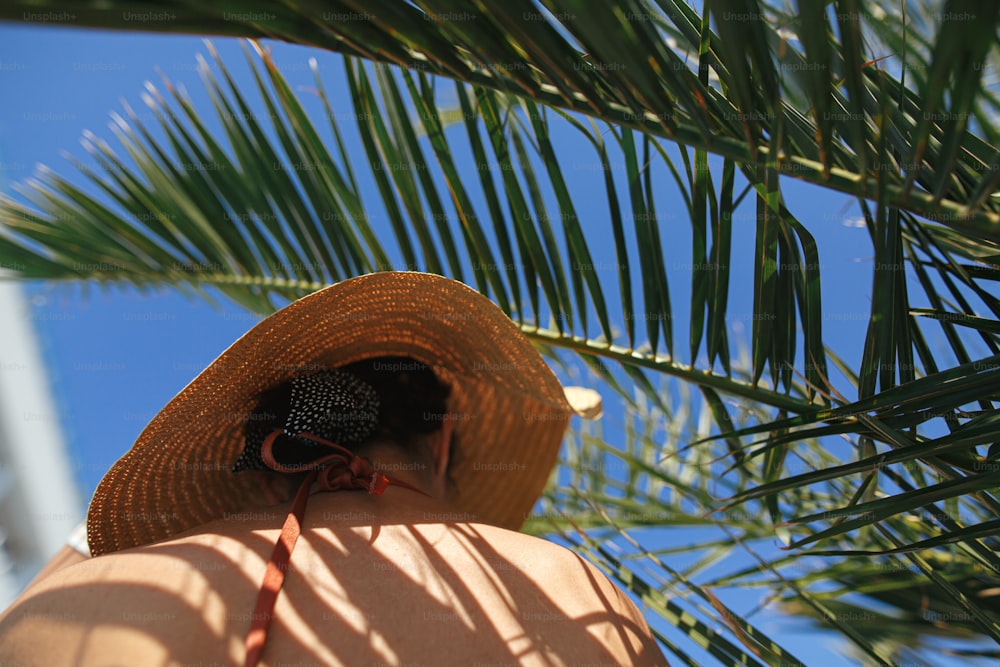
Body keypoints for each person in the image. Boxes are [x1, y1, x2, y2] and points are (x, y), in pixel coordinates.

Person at [0, 271, 667, 666]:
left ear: (266, 469)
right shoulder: (567, 590)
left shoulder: (84, 602)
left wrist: (92, 547)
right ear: (442, 442)